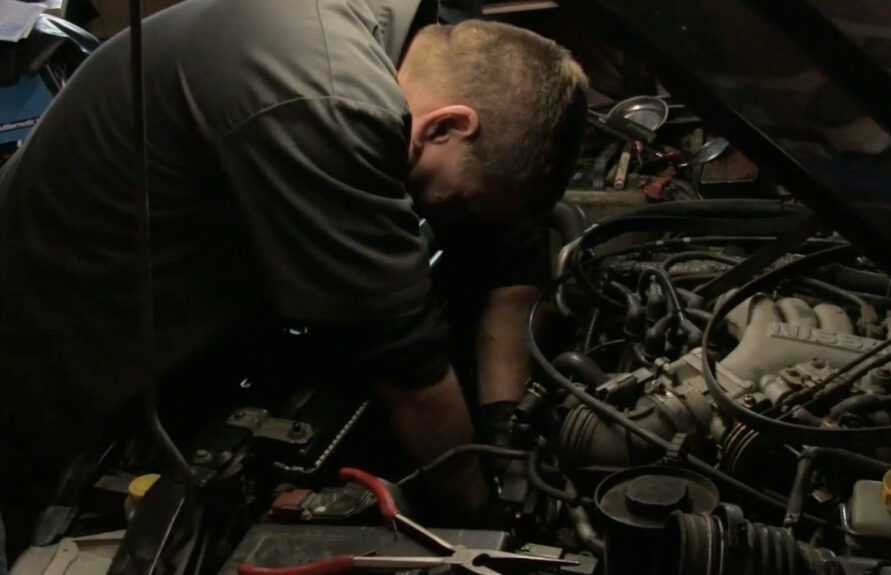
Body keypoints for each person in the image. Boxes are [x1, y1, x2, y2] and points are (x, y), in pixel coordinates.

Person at [0, 0, 588, 561]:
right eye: (453, 203)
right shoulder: (331, 98)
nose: (440, 217)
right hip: (59, 331)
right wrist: (478, 511)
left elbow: (503, 256)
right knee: (70, 525)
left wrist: (499, 426)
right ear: (447, 126)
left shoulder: (408, 38)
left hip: (181, 279)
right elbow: (405, 357)